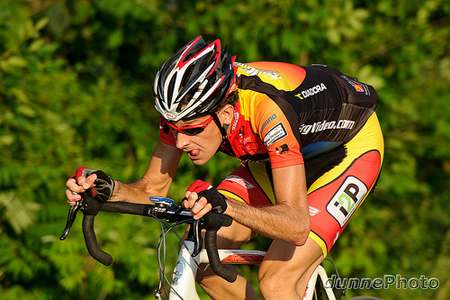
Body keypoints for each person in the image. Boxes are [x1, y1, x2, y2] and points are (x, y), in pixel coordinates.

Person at [66, 36, 384, 299]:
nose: (179, 142)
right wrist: (108, 190)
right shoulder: (186, 114)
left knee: (275, 281)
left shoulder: (267, 111)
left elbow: (296, 225)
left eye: (191, 130)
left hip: (346, 151)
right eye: (171, 127)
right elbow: (152, 189)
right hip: (272, 160)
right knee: (203, 256)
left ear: (228, 112)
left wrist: (229, 206)